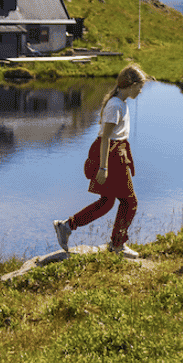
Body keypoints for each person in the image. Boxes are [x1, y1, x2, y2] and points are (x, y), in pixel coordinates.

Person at [53, 64, 148, 258]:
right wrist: (103, 167)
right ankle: (117, 245)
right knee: (130, 203)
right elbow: (105, 138)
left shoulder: (120, 103)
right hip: (112, 155)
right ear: (131, 84)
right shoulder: (115, 106)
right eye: (140, 86)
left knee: (107, 202)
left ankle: (67, 226)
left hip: (116, 152)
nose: (141, 90)